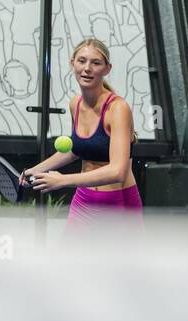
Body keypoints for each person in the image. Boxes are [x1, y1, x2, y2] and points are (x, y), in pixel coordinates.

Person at [21, 37, 142, 227]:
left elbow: (117, 171)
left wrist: (62, 180)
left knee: (115, 258)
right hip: (83, 200)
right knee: (68, 257)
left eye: (96, 63)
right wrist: (35, 170)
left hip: (116, 203)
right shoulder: (75, 104)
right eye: (82, 61)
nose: (87, 68)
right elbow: (78, 149)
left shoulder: (118, 109)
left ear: (107, 69)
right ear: (72, 64)